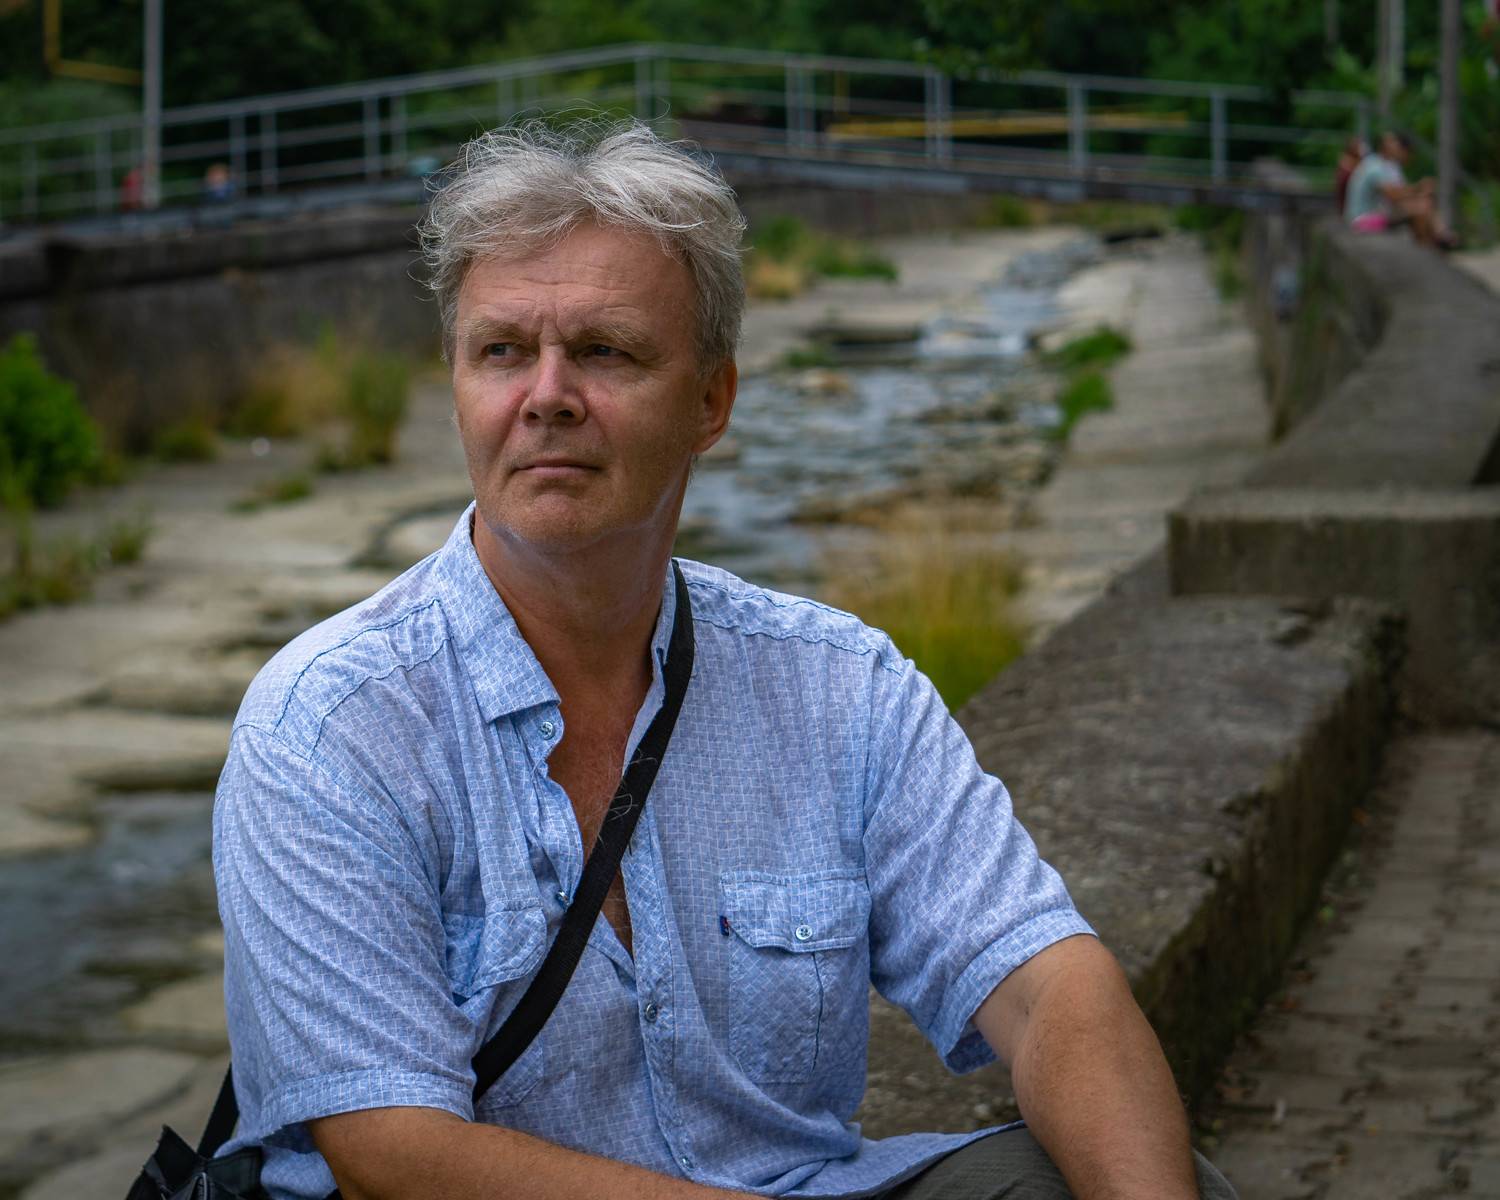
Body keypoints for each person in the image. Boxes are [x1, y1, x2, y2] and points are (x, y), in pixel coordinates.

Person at [212, 118, 1238, 1200]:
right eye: (502, 350)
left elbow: (1048, 984)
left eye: (605, 351)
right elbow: (391, 1150)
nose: (546, 393)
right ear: (458, 383)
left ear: (712, 401)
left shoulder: (838, 687)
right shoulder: (329, 729)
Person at [1343, 130, 1453, 249]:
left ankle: (1435, 239)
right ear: (1383, 146)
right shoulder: (1374, 167)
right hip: (1362, 220)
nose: (1397, 145)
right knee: (1420, 209)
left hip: (1371, 215)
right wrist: (1419, 188)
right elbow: (1393, 195)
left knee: (1423, 204)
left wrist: (1419, 193)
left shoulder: (1383, 164)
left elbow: (1399, 193)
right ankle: (1429, 245)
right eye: (1393, 142)